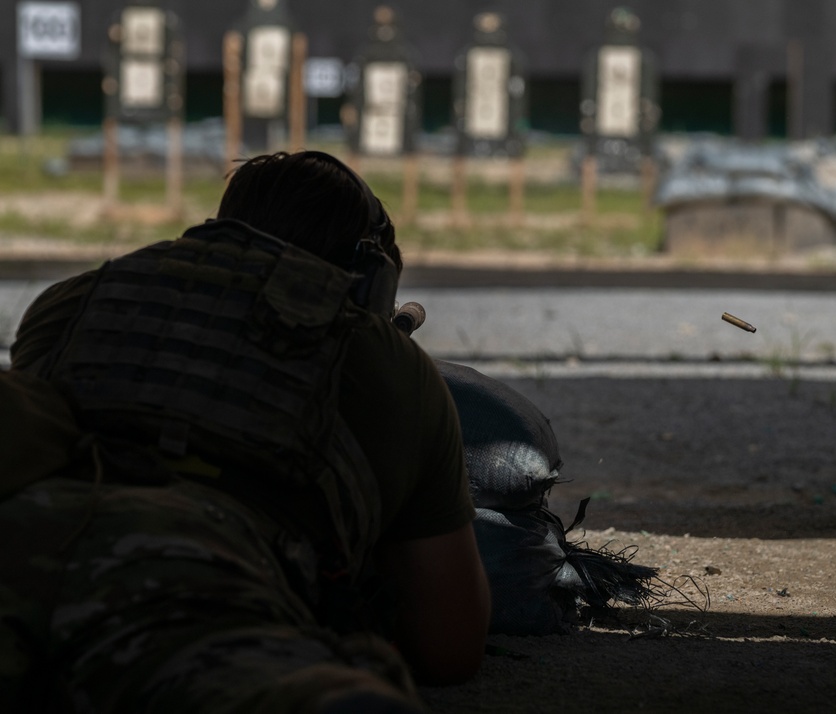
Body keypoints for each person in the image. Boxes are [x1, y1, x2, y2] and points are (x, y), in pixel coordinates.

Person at [0, 150, 491, 713]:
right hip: (183, 566)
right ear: (370, 276)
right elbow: (449, 648)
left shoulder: (74, 298)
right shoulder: (385, 358)